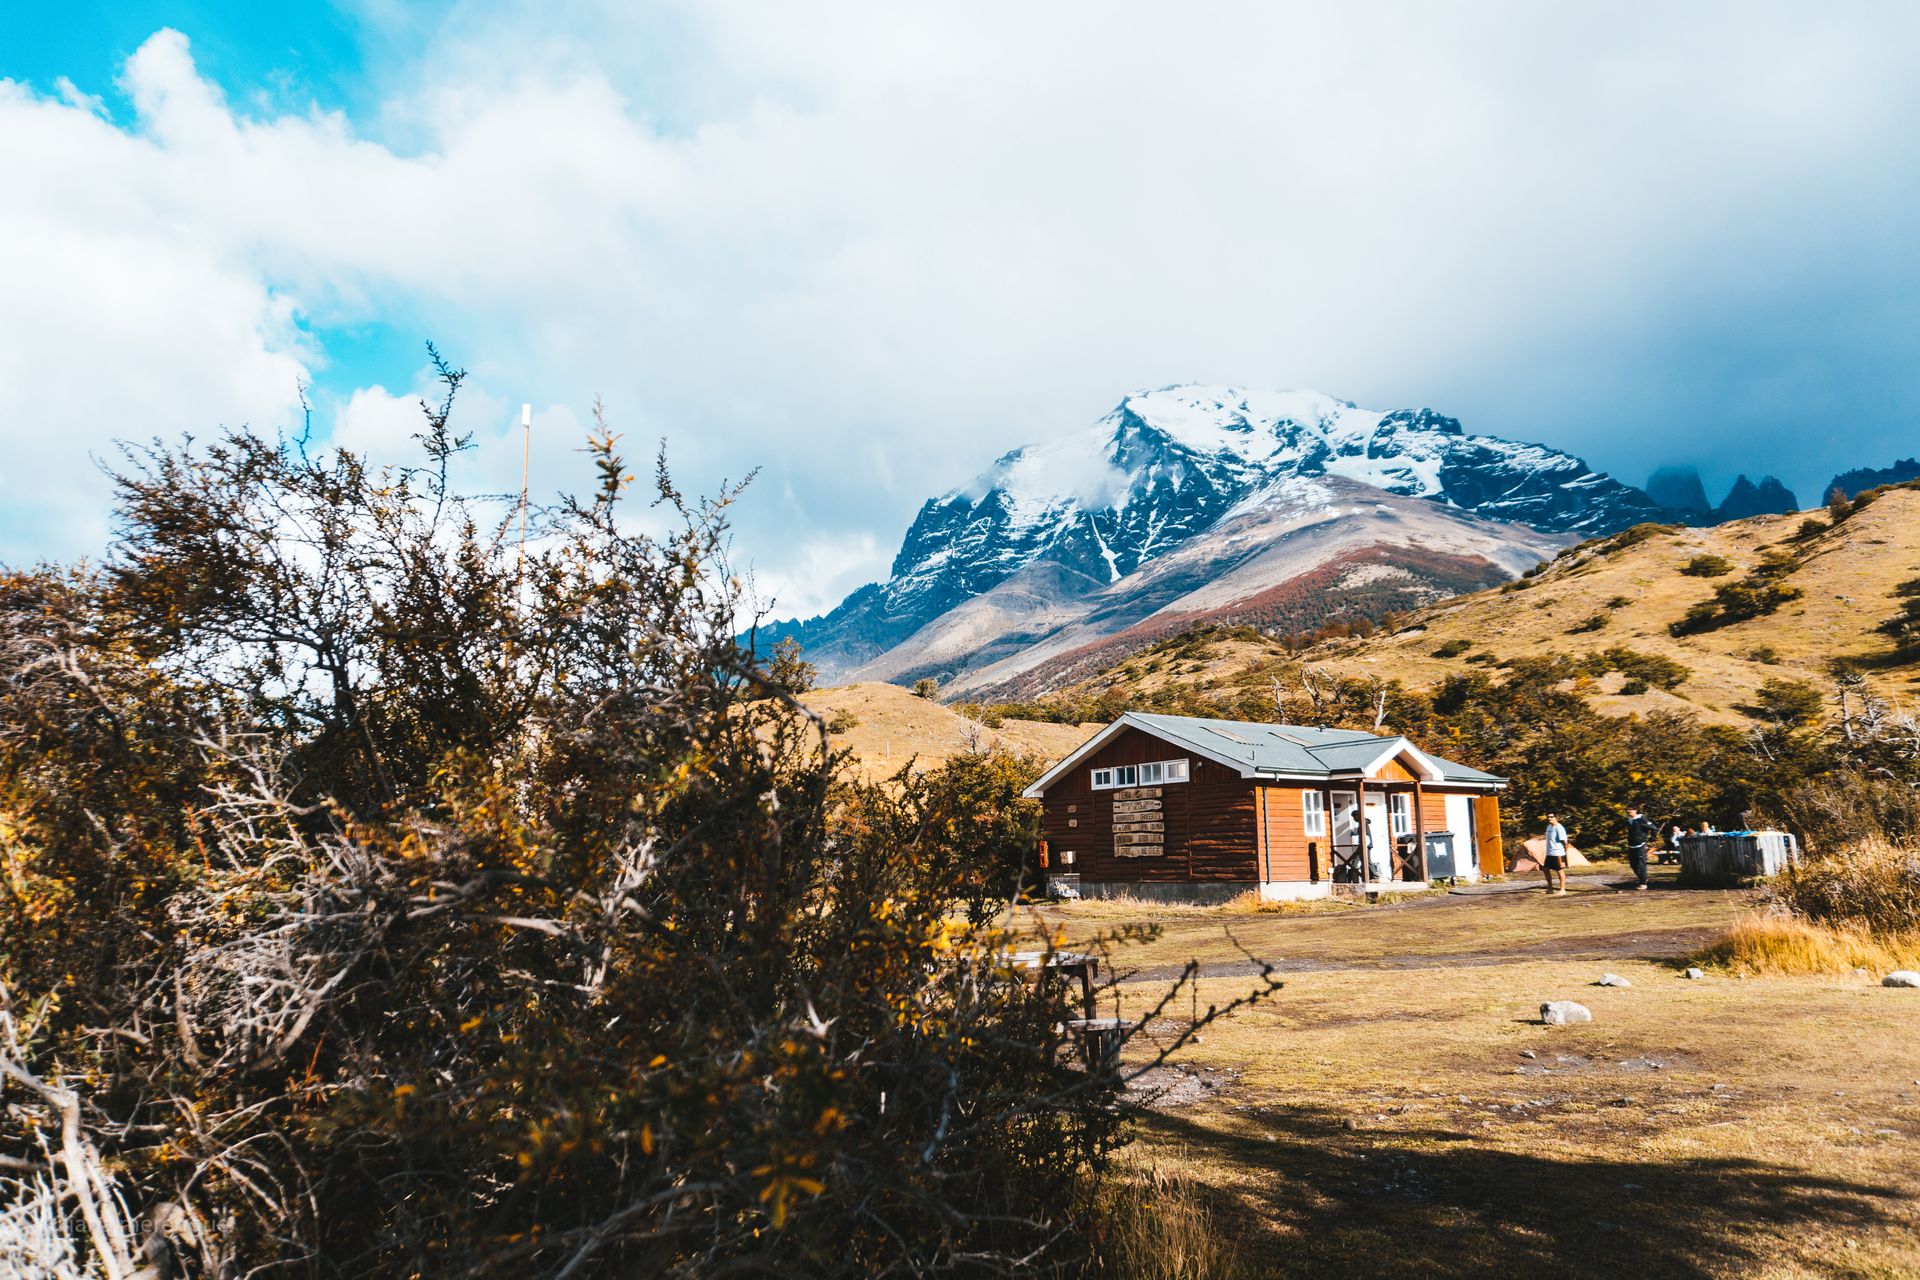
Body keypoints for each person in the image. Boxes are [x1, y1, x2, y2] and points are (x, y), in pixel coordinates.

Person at [1625, 806, 1656, 890]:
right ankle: (1643, 878)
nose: (1628, 811)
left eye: (1630, 809)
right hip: (1631, 846)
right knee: (1633, 865)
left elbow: (1653, 828)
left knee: (1641, 865)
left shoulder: (1641, 819)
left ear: (1635, 810)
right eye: (1627, 810)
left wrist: (1652, 838)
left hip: (1640, 845)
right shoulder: (1629, 820)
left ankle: (1643, 883)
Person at [1542, 813, 1570, 895]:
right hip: (1549, 853)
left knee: (1560, 871)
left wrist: (1565, 853)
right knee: (1545, 869)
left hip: (1558, 853)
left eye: (1552, 817)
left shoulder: (1559, 827)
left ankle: (1562, 890)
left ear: (1556, 818)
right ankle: (1550, 889)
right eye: (1548, 817)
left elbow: (1565, 841)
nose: (1549, 818)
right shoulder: (1549, 827)